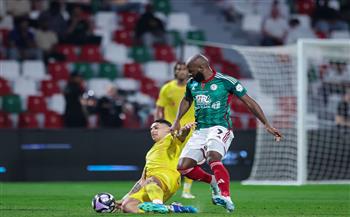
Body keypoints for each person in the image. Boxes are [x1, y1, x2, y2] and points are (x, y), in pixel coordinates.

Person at [170, 54, 282, 212]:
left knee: (212, 156)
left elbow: (249, 102)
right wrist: (176, 121)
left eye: (191, 70)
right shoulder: (192, 83)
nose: (189, 74)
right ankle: (214, 181)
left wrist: (267, 124)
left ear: (202, 68)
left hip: (220, 127)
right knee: (183, 167)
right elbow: (187, 100)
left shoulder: (226, 81)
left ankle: (225, 196)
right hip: (200, 130)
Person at [116, 119, 201, 213]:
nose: (152, 131)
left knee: (151, 180)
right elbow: (141, 181)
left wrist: (185, 130)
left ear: (169, 129)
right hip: (152, 187)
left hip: (168, 178)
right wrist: (123, 199)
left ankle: (158, 205)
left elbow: (181, 136)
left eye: (156, 128)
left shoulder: (170, 139)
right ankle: (172, 208)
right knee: (127, 206)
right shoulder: (151, 152)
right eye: (151, 129)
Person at [155, 62, 196, 199]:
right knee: (170, 160)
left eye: (184, 69)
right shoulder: (167, 88)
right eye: (178, 69)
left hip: (191, 129)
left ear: (188, 71)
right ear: (175, 72)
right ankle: (166, 185)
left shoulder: (194, 87)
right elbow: (159, 109)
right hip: (171, 130)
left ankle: (186, 191)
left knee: (190, 159)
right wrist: (158, 126)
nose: (181, 71)